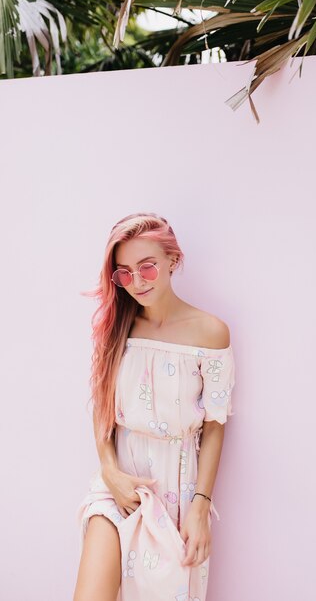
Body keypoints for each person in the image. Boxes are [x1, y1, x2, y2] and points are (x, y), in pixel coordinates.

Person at [73, 212, 236, 601]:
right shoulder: (117, 328)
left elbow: (215, 424)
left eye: (147, 267)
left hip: (177, 493)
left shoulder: (210, 331)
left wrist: (200, 507)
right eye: (124, 273)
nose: (137, 282)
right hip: (117, 486)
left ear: (172, 261)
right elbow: (101, 405)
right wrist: (109, 470)